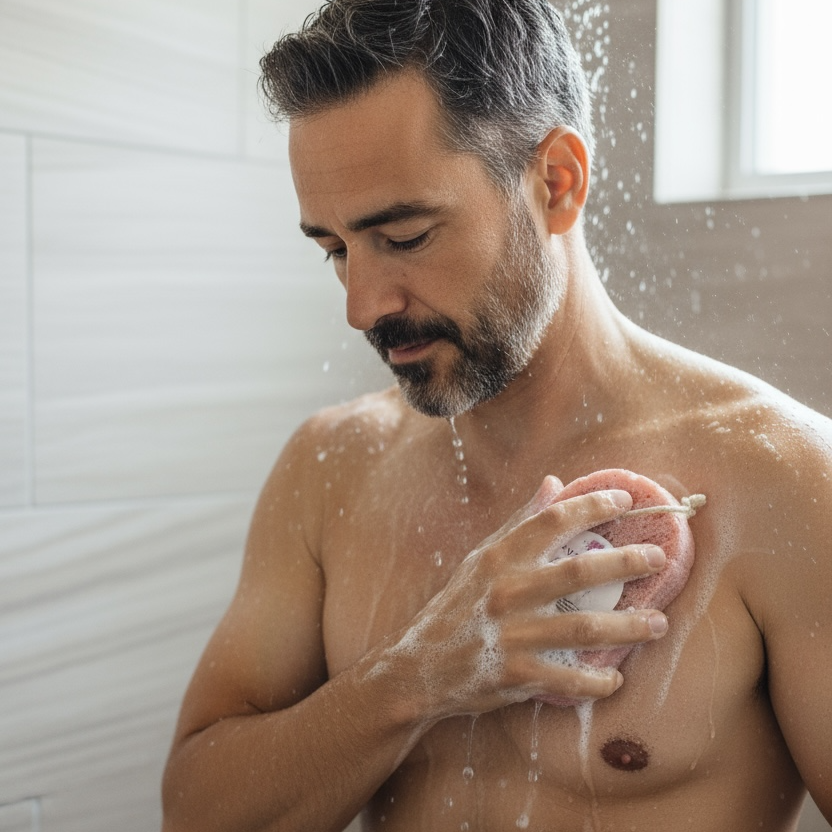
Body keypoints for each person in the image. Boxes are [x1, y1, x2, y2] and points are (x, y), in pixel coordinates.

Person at [161, 1, 832, 829]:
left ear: (557, 182)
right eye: (335, 249)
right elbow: (195, 813)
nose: (362, 305)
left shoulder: (787, 477)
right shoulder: (328, 466)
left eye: (403, 237)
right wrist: (418, 675)